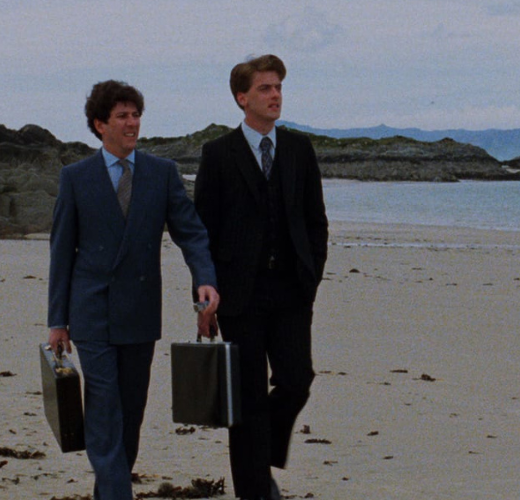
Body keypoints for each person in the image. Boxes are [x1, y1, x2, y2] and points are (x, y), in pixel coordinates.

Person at [47, 80, 220, 500]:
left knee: (131, 412)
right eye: (122, 116)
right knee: (104, 408)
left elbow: (191, 232)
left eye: (136, 114)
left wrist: (205, 277)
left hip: (141, 313)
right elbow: (61, 253)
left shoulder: (162, 173)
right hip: (92, 313)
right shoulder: (76, 178)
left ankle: (109, 488)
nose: (132, 123)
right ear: (99, 124)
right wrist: (57, 321)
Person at [193, 55, 328, 500]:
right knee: (247, 398)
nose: (275, 95)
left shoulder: (298, 149)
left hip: (291, 292)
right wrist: (205, 301)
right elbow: (203, 233)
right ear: (242, 98)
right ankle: (254, 490)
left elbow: (315, 222)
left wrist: (311, 279)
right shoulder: (217, 154)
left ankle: (259, 454)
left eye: (278, 88)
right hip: (239, 296)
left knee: (295, 380)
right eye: (266, 88)